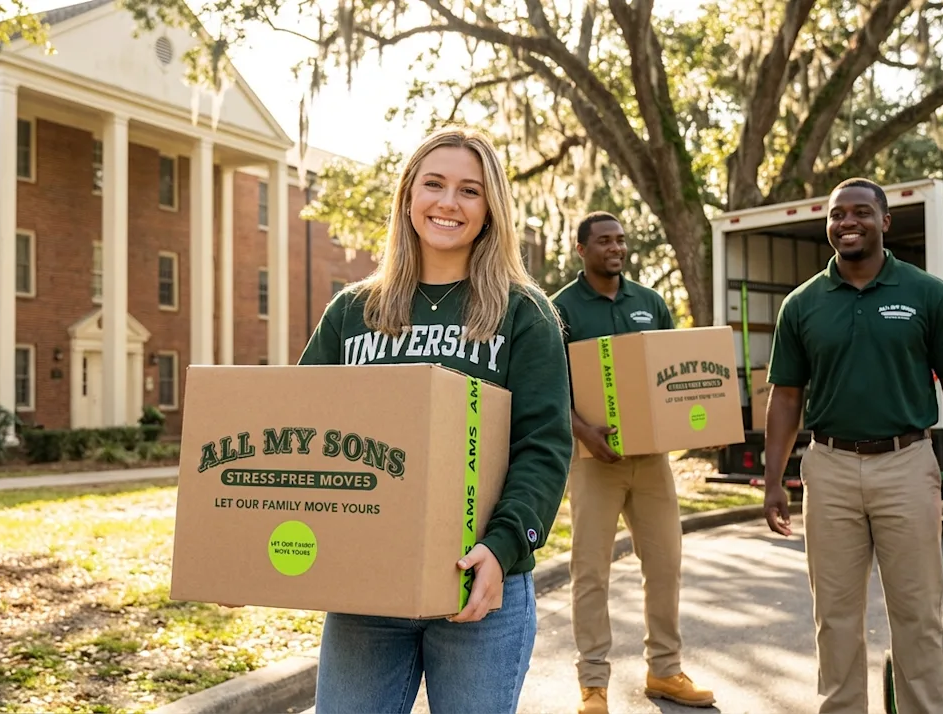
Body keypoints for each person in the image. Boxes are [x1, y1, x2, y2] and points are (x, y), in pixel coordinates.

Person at [297, 126, 574, 714]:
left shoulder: (524, 314)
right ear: (407, 197)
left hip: (480, 588)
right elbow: (299, 434)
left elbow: (543, 447)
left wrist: (502, 548)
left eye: (470, 190)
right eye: (435, 184)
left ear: (491, 209)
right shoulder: (353, 312)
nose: (449, 203)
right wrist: (249, 558)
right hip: (364, 591)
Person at [761, 177, 943, 714]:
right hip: (829, 467)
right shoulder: (802, 303)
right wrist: (772, 481)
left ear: (886, 221)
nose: (848, 222)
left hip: (907, 464)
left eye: (861, 212)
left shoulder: (926, 293)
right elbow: (786, 397)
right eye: (837, 214)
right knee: (833, 618)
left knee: (918, 614)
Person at [552, 211, 716, 713]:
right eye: (604, 241)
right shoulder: (559, 309)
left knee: (665, 565)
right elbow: (549, 387)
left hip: (651, 463)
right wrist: (584, 432)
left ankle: (665, 671)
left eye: (621, 240)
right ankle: (594, 683)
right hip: (593, 461)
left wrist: (685, 424)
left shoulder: (650, 303)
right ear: (582, 250)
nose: (616, 248)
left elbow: (669, 374)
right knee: (591, 572)